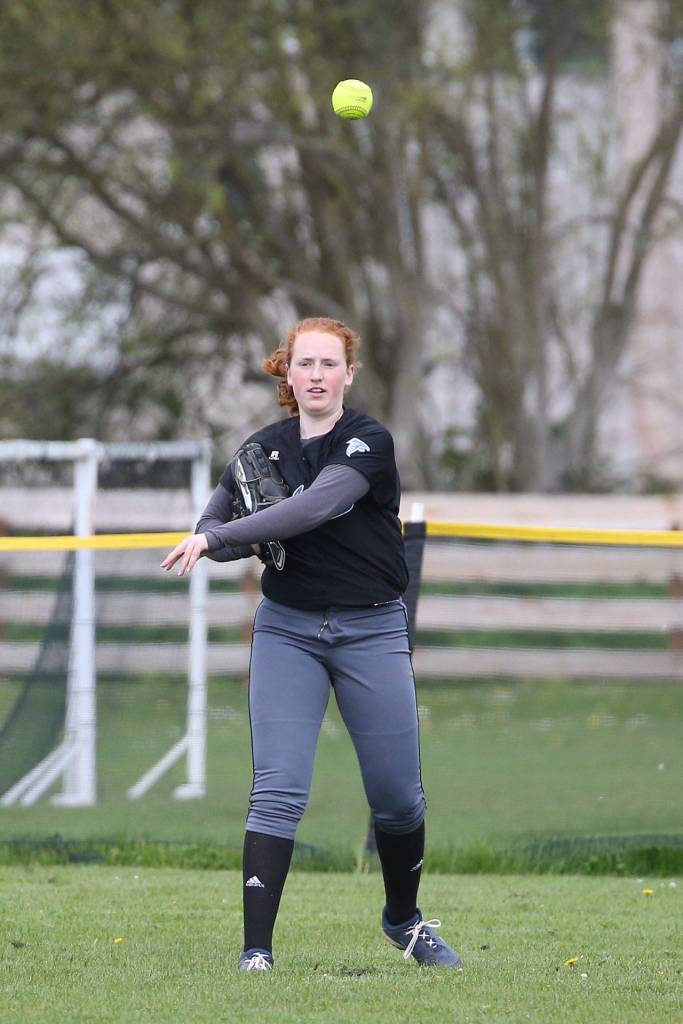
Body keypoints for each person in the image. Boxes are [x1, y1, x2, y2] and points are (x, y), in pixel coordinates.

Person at [161, 317, 462, 973]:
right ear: (287, 374)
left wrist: (220, 539)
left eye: (330, 364)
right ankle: (256, 953)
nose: (318, 375)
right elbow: (214, 520)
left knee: (397, 797)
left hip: (372, 629)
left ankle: (403, 921)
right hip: (288, 630)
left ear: (348, 375)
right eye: (306, 364)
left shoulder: (366, 441)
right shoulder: (262, 449)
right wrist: (217, 536)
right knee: (277, 789)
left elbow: (316, 507)